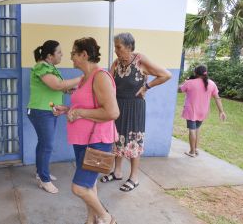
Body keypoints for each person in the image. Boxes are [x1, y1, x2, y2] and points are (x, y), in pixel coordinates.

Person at [54, 37, 119, 224]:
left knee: (79, 188)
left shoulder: (100, 77)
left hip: (98, 140)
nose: (71, 57)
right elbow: (87, 107)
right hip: (83, 141)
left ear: (84, 54)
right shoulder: (84, 79)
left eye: (74, 53)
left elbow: (112, 112)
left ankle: (106, 217)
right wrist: (67, 110)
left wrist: (80, 112)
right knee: (90, 185)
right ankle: (90, 220)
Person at [100, 32, 172, 192]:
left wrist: (147, 87)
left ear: (129, 46)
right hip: (118, 106)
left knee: (133, 141)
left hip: (134, 107)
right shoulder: (116, 63)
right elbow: (108, 82)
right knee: (117, 139)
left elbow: (166, 75)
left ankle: (134, 177)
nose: (116, 50)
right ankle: (117, 172)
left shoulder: (140, 60)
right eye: (115, 47)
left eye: (118, 47)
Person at [27, 40, 82, 194]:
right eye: (59, 52)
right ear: (50, 56)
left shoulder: (50, 68)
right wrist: (80, 79)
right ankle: (44, 180)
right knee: (47, 145)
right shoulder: (41, 66)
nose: (62, 55)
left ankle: (40, 172)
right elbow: (57, 85)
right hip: (40, 111)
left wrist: (67, 90)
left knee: (43, 144)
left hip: (49, 111)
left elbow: (58, 87)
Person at [179, 65, 226, 157]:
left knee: (192, 130)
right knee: (197, 129)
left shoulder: (190, 82)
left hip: (191, 111)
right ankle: (195, 149)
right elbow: (217, 98)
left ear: (195, 73)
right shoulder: (212, 84)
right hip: (203, 111)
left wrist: (183, 82)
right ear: (205, 73)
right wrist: (221, 111)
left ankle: (192, 152)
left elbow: (179, 89)